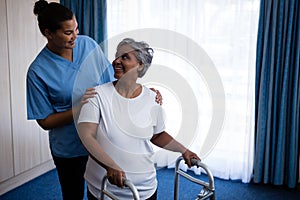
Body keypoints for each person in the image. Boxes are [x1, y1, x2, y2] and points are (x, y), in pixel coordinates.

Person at [26, 1, 162, 200]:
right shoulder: (37, 71)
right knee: (72, 195)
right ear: (49, 33)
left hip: (103, 140)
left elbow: (112, 81)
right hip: (70, 148)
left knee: (101, 192)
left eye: (76, 29)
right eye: (68, 33)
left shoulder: (87, 44)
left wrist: (142, 93)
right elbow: (44, 121)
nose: (75, 36)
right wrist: (80, 108)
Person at [77, 38, 200, 200]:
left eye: (125, 57)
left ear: (140, 66)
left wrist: (183, 150)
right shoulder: (96, 95)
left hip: (145, 187)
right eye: (117, 56)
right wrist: (110, 165)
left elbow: (157, 135)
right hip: (105, 188)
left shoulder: (152, 98)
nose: (117, 61)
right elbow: (87, 137)